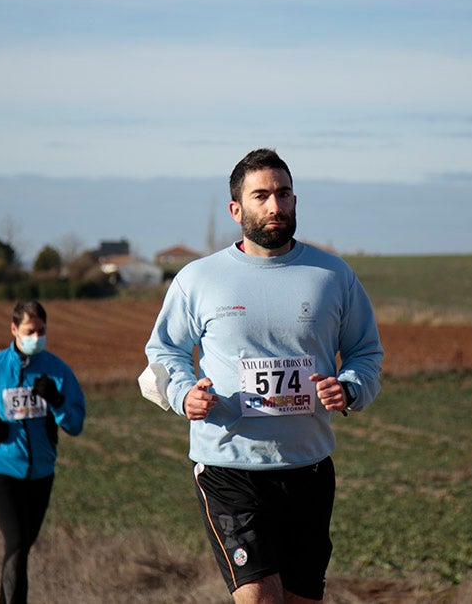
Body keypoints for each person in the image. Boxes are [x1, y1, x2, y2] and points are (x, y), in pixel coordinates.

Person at [144, 148, 384, 603]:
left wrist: (349, 387)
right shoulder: (199, 278)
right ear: (236, 210)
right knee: (258, 598)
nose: (275, 206)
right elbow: (164, 350)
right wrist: (181, 395)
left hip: (308, 468)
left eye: (284, 194)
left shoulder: (332, 275)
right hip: (229, 467)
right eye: (261, 196)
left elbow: (365, 352)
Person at [0, 300, 85, 604]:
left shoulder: (57, 370)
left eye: (41, 331)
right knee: (17, 539)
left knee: (23, 546)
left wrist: (57, 400)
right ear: (14, 329)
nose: (36, 337)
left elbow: (76, 424)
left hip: (41, 473)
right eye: (30, 331)